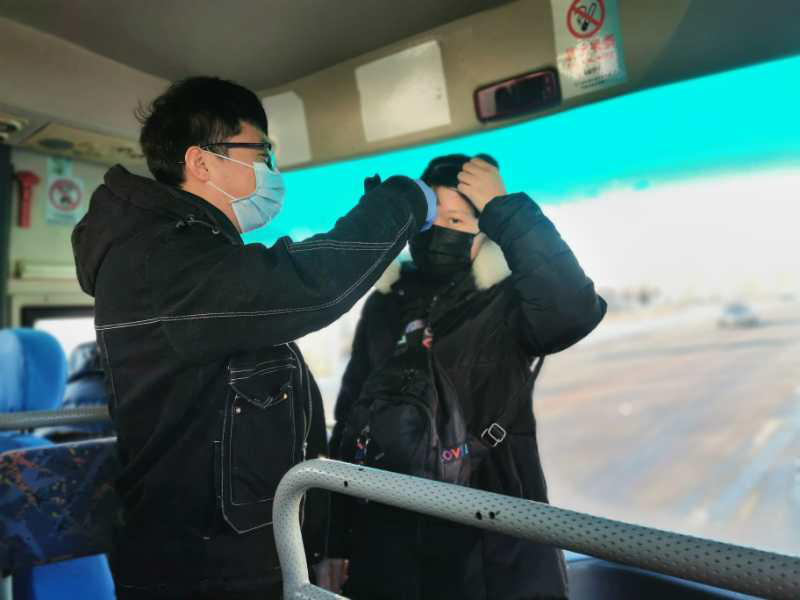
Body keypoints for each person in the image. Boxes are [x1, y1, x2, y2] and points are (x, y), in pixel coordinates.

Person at [71, 76, 436, 599]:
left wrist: (316, 539)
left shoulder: (184, 255)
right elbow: (312, 286)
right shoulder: (165, 261)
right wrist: (406, 201)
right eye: (262, 152)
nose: (271, 169)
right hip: (202, 568)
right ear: (202, 162)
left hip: (226, 552)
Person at [327, 154, 607, 600]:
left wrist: (505, 209)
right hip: (388, 537)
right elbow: (350, 416)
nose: (441, 231)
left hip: (492, 538)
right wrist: (337, 540)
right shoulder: (386, 303)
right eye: (432, 219)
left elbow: (572, 312)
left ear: (484, 236)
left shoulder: (505, 299)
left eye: (457, 220)